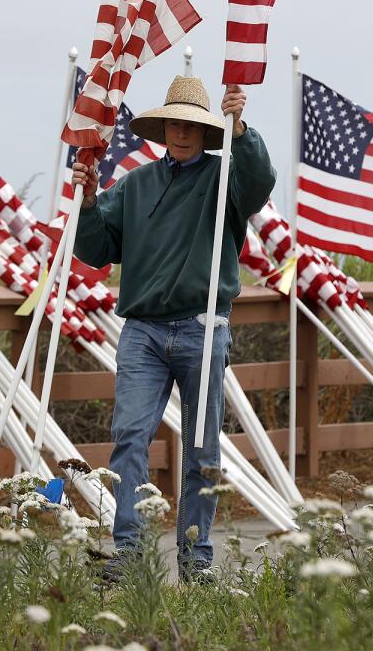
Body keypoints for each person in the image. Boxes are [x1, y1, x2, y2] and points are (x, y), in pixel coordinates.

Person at [70, 75, 275, 582]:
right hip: (142, 330)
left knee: (202, 446)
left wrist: (242, 126)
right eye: (174, 124)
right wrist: (91, 203)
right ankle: (131, 552)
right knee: (130, 435)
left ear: (207, 131)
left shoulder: (227, 179)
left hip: (203, 326)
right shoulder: (135, 185)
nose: (181, 133)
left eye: (192, 125)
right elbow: (95, 250)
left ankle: (196, 560)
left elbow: (261, 179)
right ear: (163, 128)